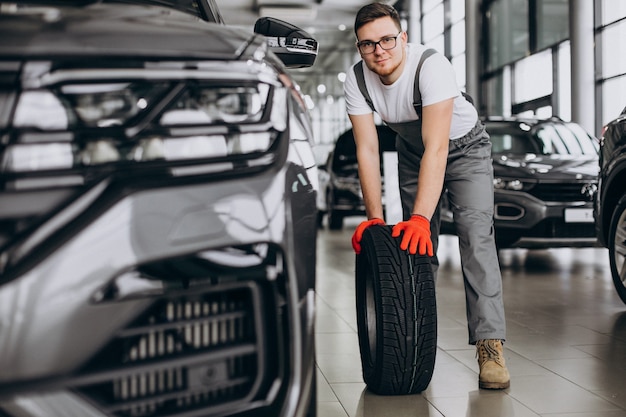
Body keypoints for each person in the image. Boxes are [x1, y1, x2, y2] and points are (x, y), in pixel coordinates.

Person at [345, 2, 510, 390]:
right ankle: (414, 339)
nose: (379, 51)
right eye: (368, 44)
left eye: (387, 40)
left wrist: (421, 215)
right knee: (415, 246)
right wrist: (373, 217)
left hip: (463, 149)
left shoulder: (431, 66)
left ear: (402, 37)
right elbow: (367, 149)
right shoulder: (357, 79)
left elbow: (438, 149)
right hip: (412, 151)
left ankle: (490, 345)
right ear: (359, 48)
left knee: (474, 235)